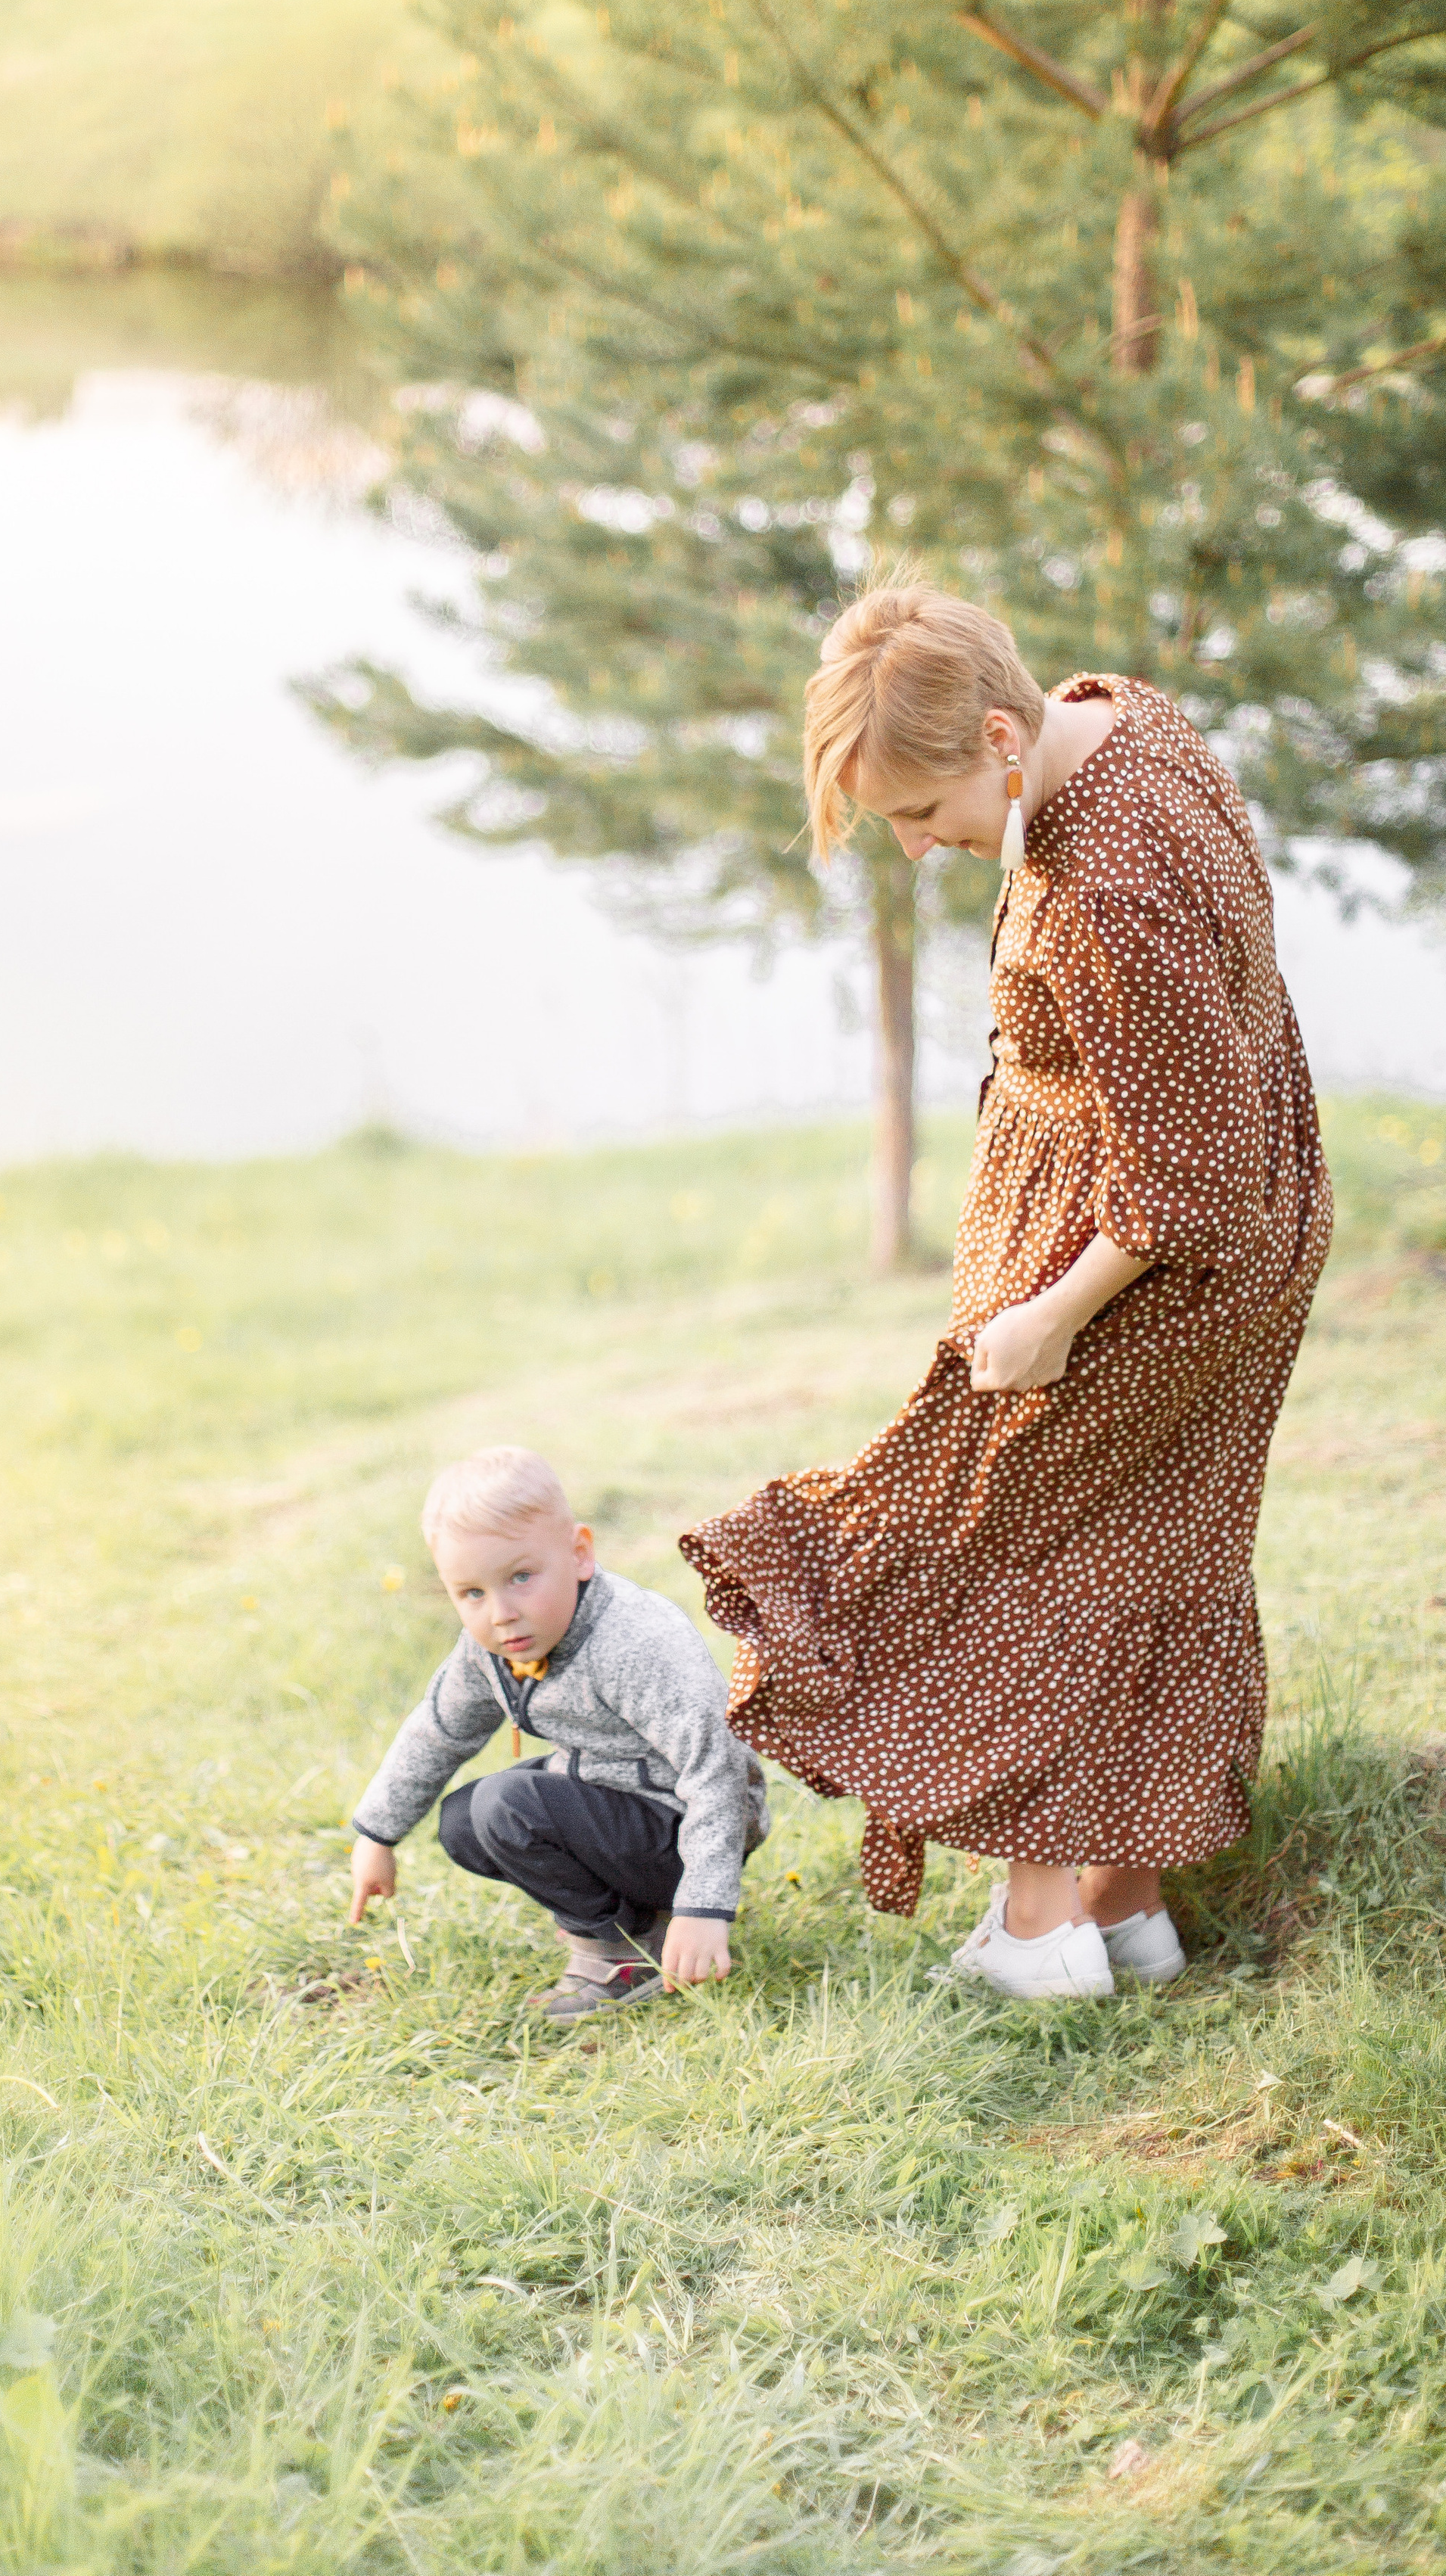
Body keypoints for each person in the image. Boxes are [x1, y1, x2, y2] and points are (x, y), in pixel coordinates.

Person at [681, 575, 1332, 2002]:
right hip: (1242, 1233)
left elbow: (1187, 1182)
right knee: (1152, 1558)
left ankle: (1039, 1936)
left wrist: (1049, 1314)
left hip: (1148, 1269)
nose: (920, 850)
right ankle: (1123, 1904)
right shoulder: (1118, 716)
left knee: (1007, 1554)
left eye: (922, 812)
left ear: (995, 736)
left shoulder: (1107, 889)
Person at [348, 1446, 769, 2022]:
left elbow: (716, 1769)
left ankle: (622, 1954)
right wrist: (377, 1835)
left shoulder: (635, 1643)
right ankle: (635, 1918)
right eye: (472, 1593)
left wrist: (705, 1905)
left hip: (686, 1818)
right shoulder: (492, 1648)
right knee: (466, 1821)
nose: (501, 1613)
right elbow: (438, 1732)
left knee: (506, 1807)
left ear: (579, 1554)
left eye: (521, 1577)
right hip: (614, 1797)